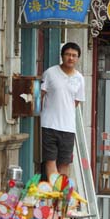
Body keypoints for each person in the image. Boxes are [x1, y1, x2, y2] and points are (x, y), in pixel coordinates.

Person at [39, 42, 85, 177]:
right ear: (62, 56)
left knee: (65, 163)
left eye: (74, 55)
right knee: (50, 160)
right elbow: (40, 96)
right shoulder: (50, 73)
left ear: (77, 58)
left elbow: (76, 102)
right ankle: (52, 194)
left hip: (68, 127)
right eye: (68, 54)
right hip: (49, 124)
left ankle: (62, 196)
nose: (71, 58)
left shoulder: (80, 78)